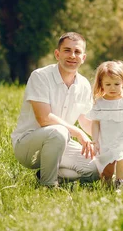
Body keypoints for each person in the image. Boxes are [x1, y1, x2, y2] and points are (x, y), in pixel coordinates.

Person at [11, 32, 99, 187]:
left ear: (83, 58)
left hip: (61, 143)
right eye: (67, 50)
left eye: (77, 52)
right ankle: (49, 185)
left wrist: (109, 141)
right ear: (57, 54)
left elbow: (86, 121)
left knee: (95, 169)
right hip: (28, 145)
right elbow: (44, 118)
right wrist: (78, 133)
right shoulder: (40, 76)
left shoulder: (84, 84)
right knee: (59, 132)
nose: (72, 55)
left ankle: (45, 175)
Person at [88, 61, 123, 189]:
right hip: (106, 140)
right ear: (101, 84)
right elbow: (95, 122)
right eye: (108, 84)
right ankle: (106, 184)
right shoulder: (99, 103)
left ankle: (120, 182)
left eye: (116, 84)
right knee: (107, 168)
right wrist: (95, 140)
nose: (112, 88)